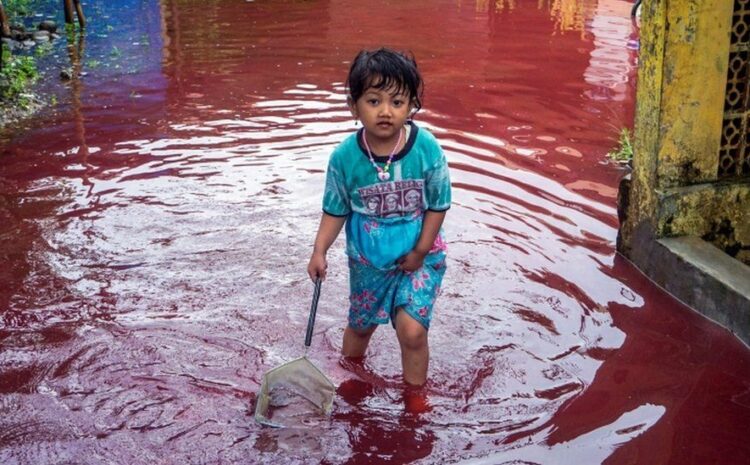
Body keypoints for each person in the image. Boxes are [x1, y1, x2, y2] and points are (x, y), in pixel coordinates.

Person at [307, 48, 451, 396]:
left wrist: (420, 251)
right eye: (373, 101)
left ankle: (414, 400)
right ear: (354, 106)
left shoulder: (426, 148)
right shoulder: (345, 157)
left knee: (412, 331)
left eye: (397, 101)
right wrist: (319, 250)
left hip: (419, 256)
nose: (386, 111)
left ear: (412, 105)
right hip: (368, 260)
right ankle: (350, 381)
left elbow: (438, 205)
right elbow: (336, 209)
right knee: (360, 327)